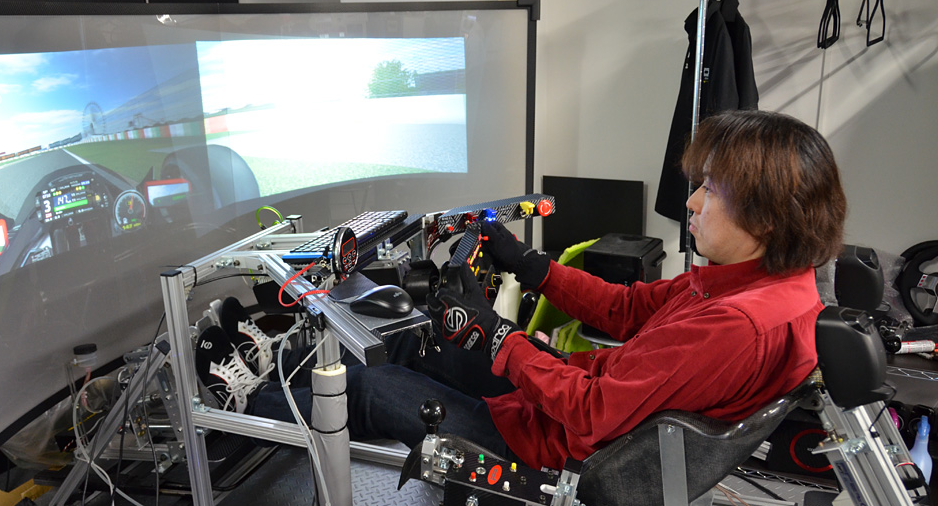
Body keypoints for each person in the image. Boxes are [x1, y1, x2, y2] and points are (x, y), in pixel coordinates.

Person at [246, 109, 847, 472]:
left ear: (767, 215)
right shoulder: (770, 286)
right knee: (416, 343)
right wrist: (530, 264)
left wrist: (497, 336)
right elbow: (626, 309)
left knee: (369, 388)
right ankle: (266, 364)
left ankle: (238, 405)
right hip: (575, 402)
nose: (690, 202)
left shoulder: (735, 325)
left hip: (556, 448)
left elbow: (591, 411)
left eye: (710, 190)